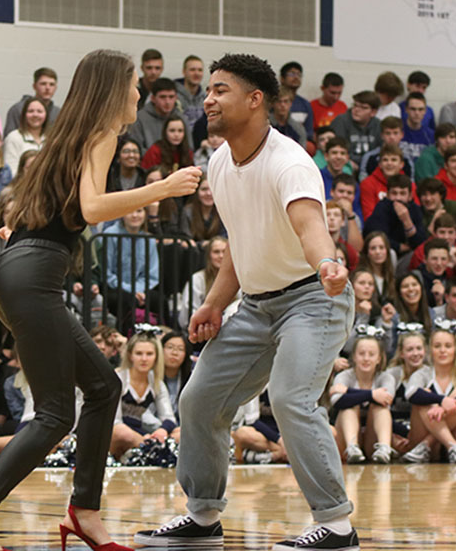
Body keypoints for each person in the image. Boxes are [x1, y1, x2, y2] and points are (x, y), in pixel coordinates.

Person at [0, 49, 199, 551]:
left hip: (20, 270)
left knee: (104, 387)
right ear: (112, 89)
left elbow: (22, 213)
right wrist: (163, 189)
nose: (138, 94)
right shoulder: (103, 134)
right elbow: (91, 208)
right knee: (56, 414)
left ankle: (84, 512)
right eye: (133, 85)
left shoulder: (67, 138)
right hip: (35, 276)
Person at [137, 53, 358, 551]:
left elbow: (310, 228)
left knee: (289, 399)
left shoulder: (290, 162)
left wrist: (327, 264)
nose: (207, 99)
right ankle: (203, 516)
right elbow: (241, 242)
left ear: (255, 100)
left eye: (220, 90)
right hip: (257, 307)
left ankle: (337, 527)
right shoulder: (219, 162)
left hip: (311, 300)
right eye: (208, 90)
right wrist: (216, 302)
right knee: (198, 401)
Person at [401, 319, 456, 464]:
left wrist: (442, 409)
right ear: (430, 349)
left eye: (448, 346)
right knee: (424, 393)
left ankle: (430, 443)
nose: (443, 350)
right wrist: (441, 400)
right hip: (425, 446)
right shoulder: (422, 373)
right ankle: (451, 446)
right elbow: (411, 393)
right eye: (437, 346)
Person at [330, 326, 395, 464]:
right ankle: (352, 448)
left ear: (379, 358)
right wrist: (372, 394)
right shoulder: (344, 376)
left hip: (372, 439)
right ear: (354, 356)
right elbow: (337, 401)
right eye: (361, 353)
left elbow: (387, 399)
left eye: (371, 354)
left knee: (380, 407)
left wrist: (348, 391)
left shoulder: (386, 378)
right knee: (349, 407)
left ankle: (384, 448)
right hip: (345, 441)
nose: (366, 358)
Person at [110, 330, 177, 459]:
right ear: (130, 356)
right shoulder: (119, 379)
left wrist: (161, 431)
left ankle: (150, 449)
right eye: (139, 354)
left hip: (141, 433)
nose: (144, 359)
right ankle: (152, 450)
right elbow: (115, 422)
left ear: (156, 357)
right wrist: (142, 439)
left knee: (181, 432)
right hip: (116, 435)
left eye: (149, 354)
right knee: (122, 433)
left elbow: (169, 418)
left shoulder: (157, 382)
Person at [102, 208, 160, 334]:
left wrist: (139, 290)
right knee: (125, 300)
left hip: (140, 290)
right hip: (113, 288)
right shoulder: (110, 234)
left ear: (145, 214)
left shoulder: (149, 239)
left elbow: (152, 274)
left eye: (139, 211)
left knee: (159, 300)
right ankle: (125, 338)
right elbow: (106, 272)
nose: (134, 215)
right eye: (129, 211)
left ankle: (160, 339)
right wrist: (131, 289)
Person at [177, 236, 232, 331]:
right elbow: (187, 314)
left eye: (224, 252)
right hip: (202, 331)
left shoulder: (237, 279)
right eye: (216, 252)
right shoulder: (197, 279)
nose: (221, 256)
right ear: (208, 256)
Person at [363, 174, 426, 254]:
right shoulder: (381, 208)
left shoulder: (415, 209)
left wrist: (407, 221)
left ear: (410, 196)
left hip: (407, 255)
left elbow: (420, 243)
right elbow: (377, 237)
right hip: (386, 254)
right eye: (394, 193)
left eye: (402, 193)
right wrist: (399, 247)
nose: (398, 198)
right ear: (388, 195)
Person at [330, 90, 381, 176]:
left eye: (363, 107)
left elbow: (379, 151)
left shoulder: (378, 124)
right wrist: (348, 161)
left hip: (370, 166)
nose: (357, 110)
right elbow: (338, 148)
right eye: (355, 105)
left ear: (373, 112)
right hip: (347, 164)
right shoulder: (341, 121)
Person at [128, 77, 187, 151]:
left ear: (176, 98)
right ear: (153, 98)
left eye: (171, 97)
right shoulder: (140, 118)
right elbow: (135, 148)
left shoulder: (182, 118)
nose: (167, 102)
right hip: (148, 160)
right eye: (163, 97)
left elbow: (188, 148)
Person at [3, 67, 60, 137]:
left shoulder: (58, 113)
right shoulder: (18, 109)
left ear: (56, 88)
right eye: (43, 84)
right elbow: (9, 137)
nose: (47, 88)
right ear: (34, 86)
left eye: (52, 84)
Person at [3, 97, 47, 174]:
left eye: (39, 111)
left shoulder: (52, 139)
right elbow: (11, 171)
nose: (35, 115)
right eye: (31, 111)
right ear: (24, 115)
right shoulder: (13, 137)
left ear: (46, 115)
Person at [161, 331, 192, 427]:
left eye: (180, 349)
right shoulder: (150, 375)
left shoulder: (191, 379)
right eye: (170, 347)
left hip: (181, 427)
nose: (174, 353)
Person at [278, 61, 314, 140]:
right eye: (292, 74)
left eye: (299, 74)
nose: (296, 77)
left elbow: (309, 133)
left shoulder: (305, 104)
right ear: (282, 78)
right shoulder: (272, 101)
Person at [357, 232, 395, 301]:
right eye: (373, 248)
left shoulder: (391, 276)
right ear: (367, 252)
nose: (378, 252)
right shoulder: (360, 276)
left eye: (381, 247)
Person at [175, 55, 206, 132]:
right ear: (184, 72)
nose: (197, 73)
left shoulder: (206, 98)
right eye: (192, 70)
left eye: (200, 70)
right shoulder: (173, 97)